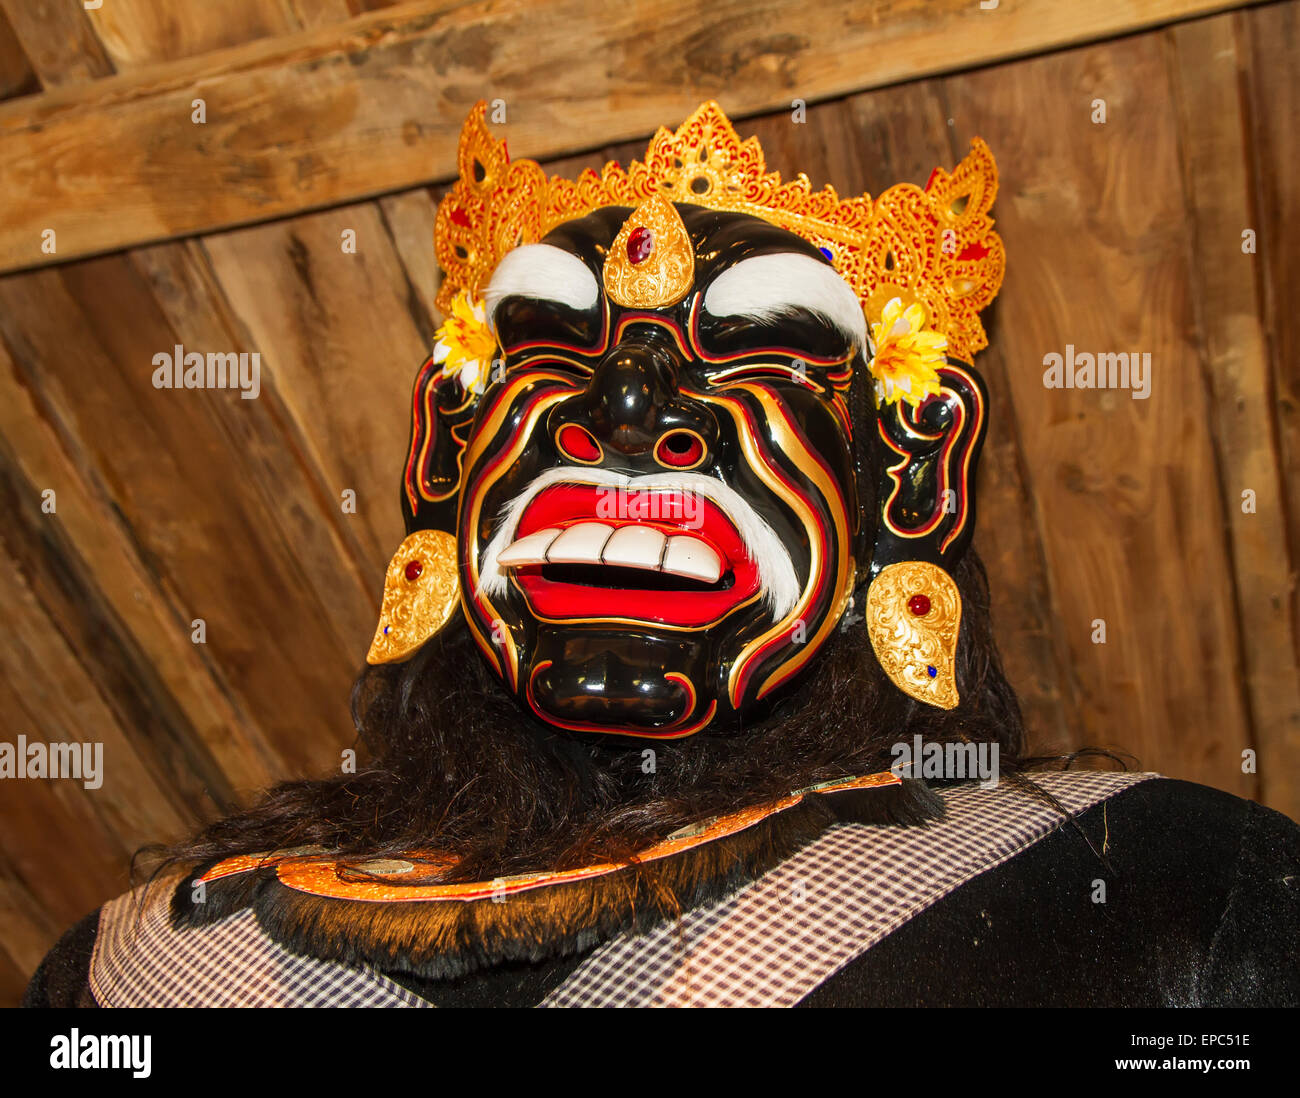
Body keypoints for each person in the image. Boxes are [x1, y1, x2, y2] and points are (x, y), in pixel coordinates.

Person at [25, 102, 1299, 1008]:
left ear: (910, 469)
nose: (625, 412)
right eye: (549, 349)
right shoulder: (136, 978)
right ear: (443, 450)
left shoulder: (1162, 891)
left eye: (759, 351)